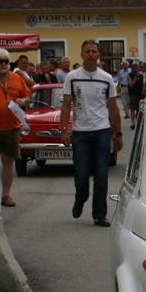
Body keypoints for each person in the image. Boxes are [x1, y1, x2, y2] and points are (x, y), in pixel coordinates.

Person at [59, 40, 123, 227]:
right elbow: (65, 105)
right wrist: (64, 131)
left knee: (101, 175)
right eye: (87, 51)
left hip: (102, 131)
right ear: (81, 54)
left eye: (94, 51)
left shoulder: (106, 78)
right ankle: (81, 198)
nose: (91, 54)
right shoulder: (72, 77)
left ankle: (99, 214)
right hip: (80, 132)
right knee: (81, 174)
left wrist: (118, 134)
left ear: (99, 55)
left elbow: (113, 108)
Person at [0, 48, 30, 207]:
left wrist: (23, 100)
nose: (3, 64)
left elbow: (28, 95)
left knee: (8, 162)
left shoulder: (16, 78)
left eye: (6, 61)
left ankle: (6, 195)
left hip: (11, 127)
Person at [127, 62, 144, 129]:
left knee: (138, 109)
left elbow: (142, 84)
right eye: (136, 68)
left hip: (139, 94)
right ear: (133, 68)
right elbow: (130, 84)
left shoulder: (141, 76)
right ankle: (133, 123)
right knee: (132, 109)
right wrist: (135, 77)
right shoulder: (129, 75)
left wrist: (143, 91)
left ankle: (137, 122)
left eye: (138, 68)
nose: (137, 69)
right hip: (132, 94)